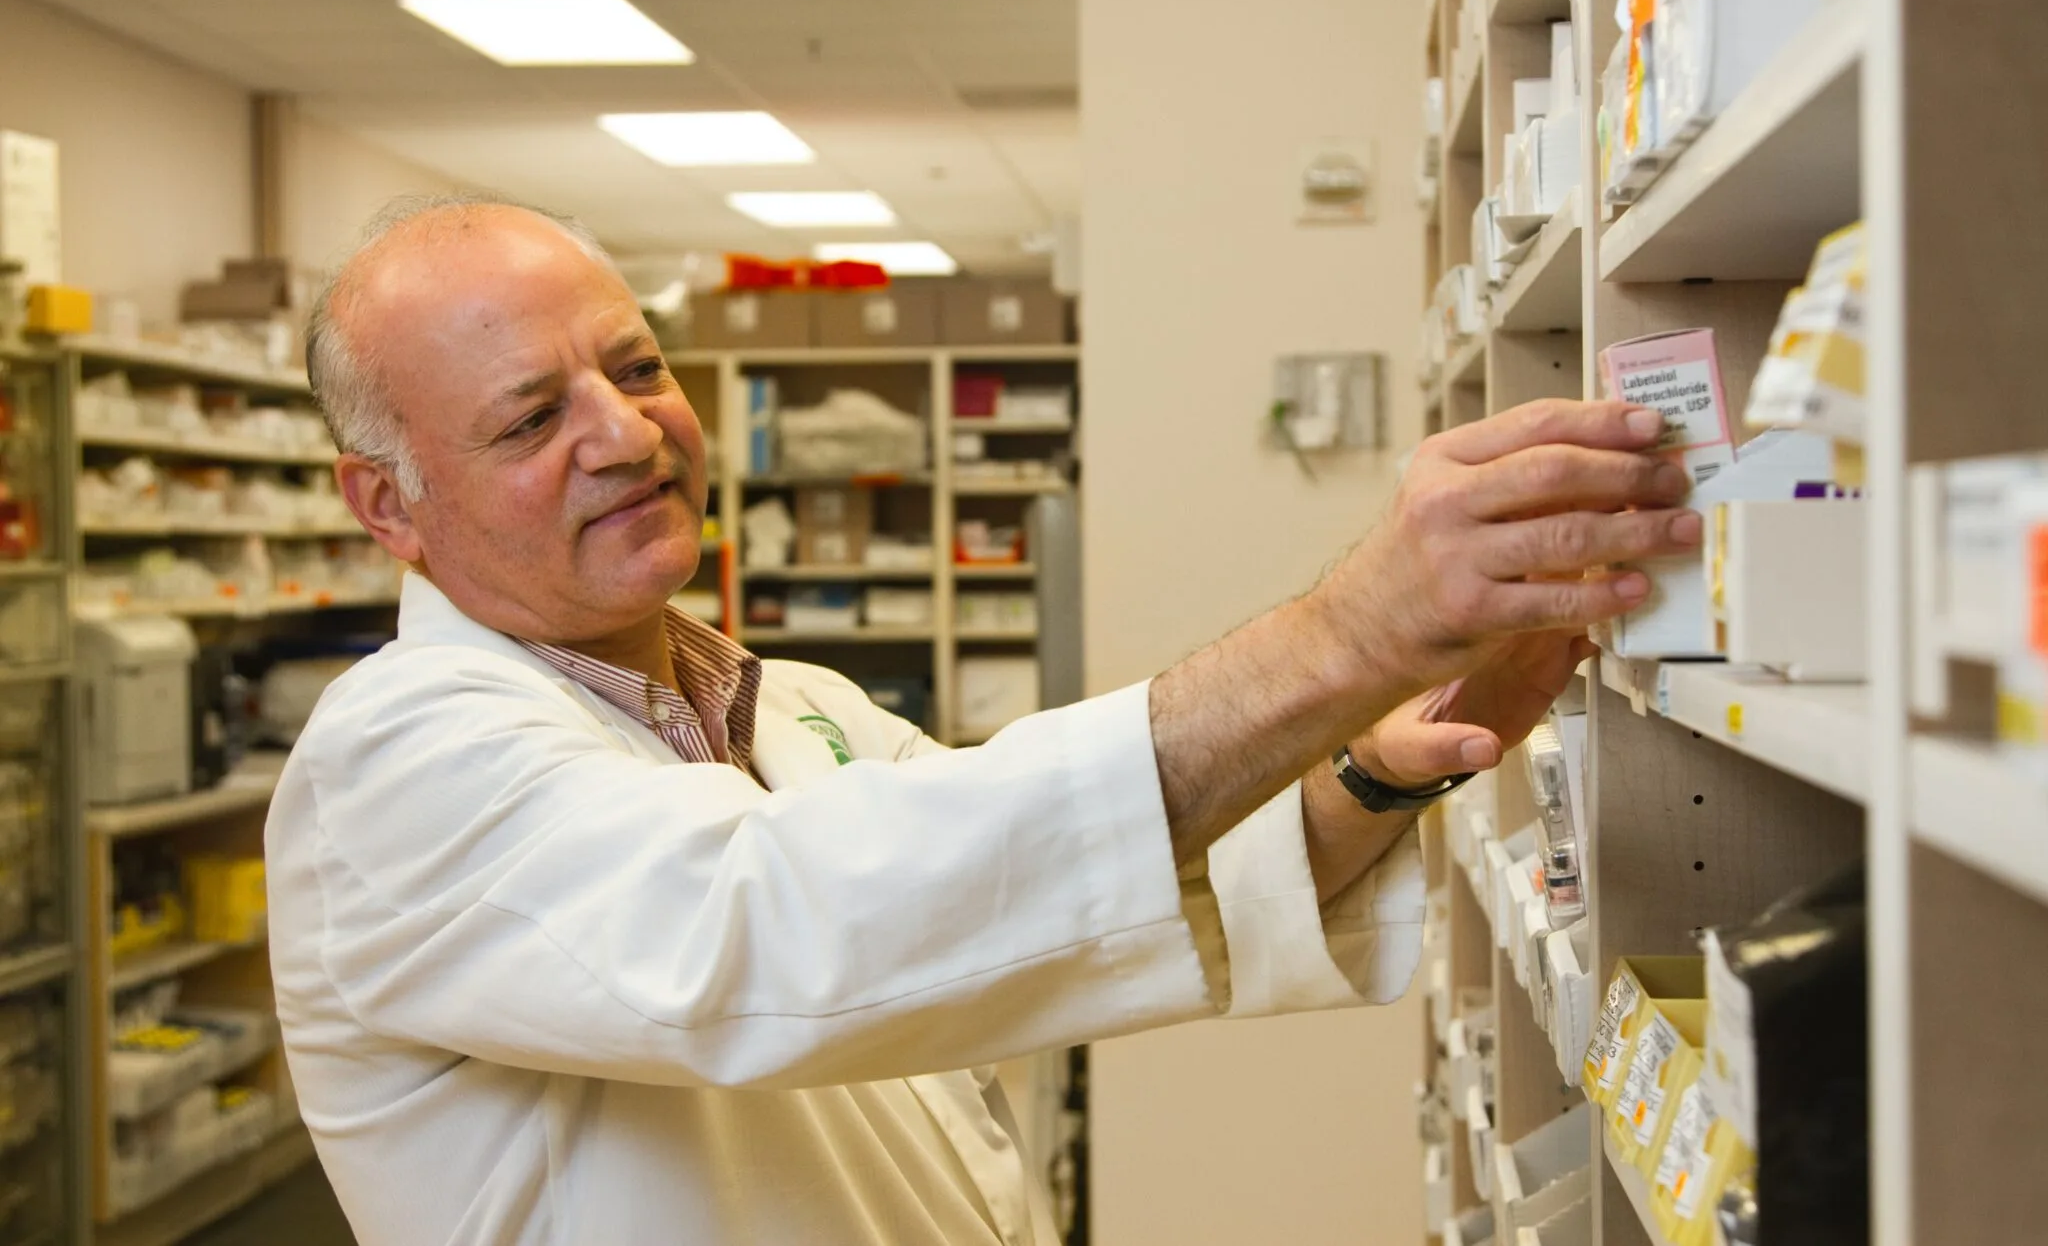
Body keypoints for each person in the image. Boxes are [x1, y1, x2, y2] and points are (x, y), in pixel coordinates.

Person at [265, 196, 1697, 1246]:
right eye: (530, 420)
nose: (630, 433)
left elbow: (1028, 906)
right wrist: (1341, 638)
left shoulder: (793, 711)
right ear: (387, 504)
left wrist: (1371, 775)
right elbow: (780, 929)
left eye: (636, 369)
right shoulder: (395, 770)